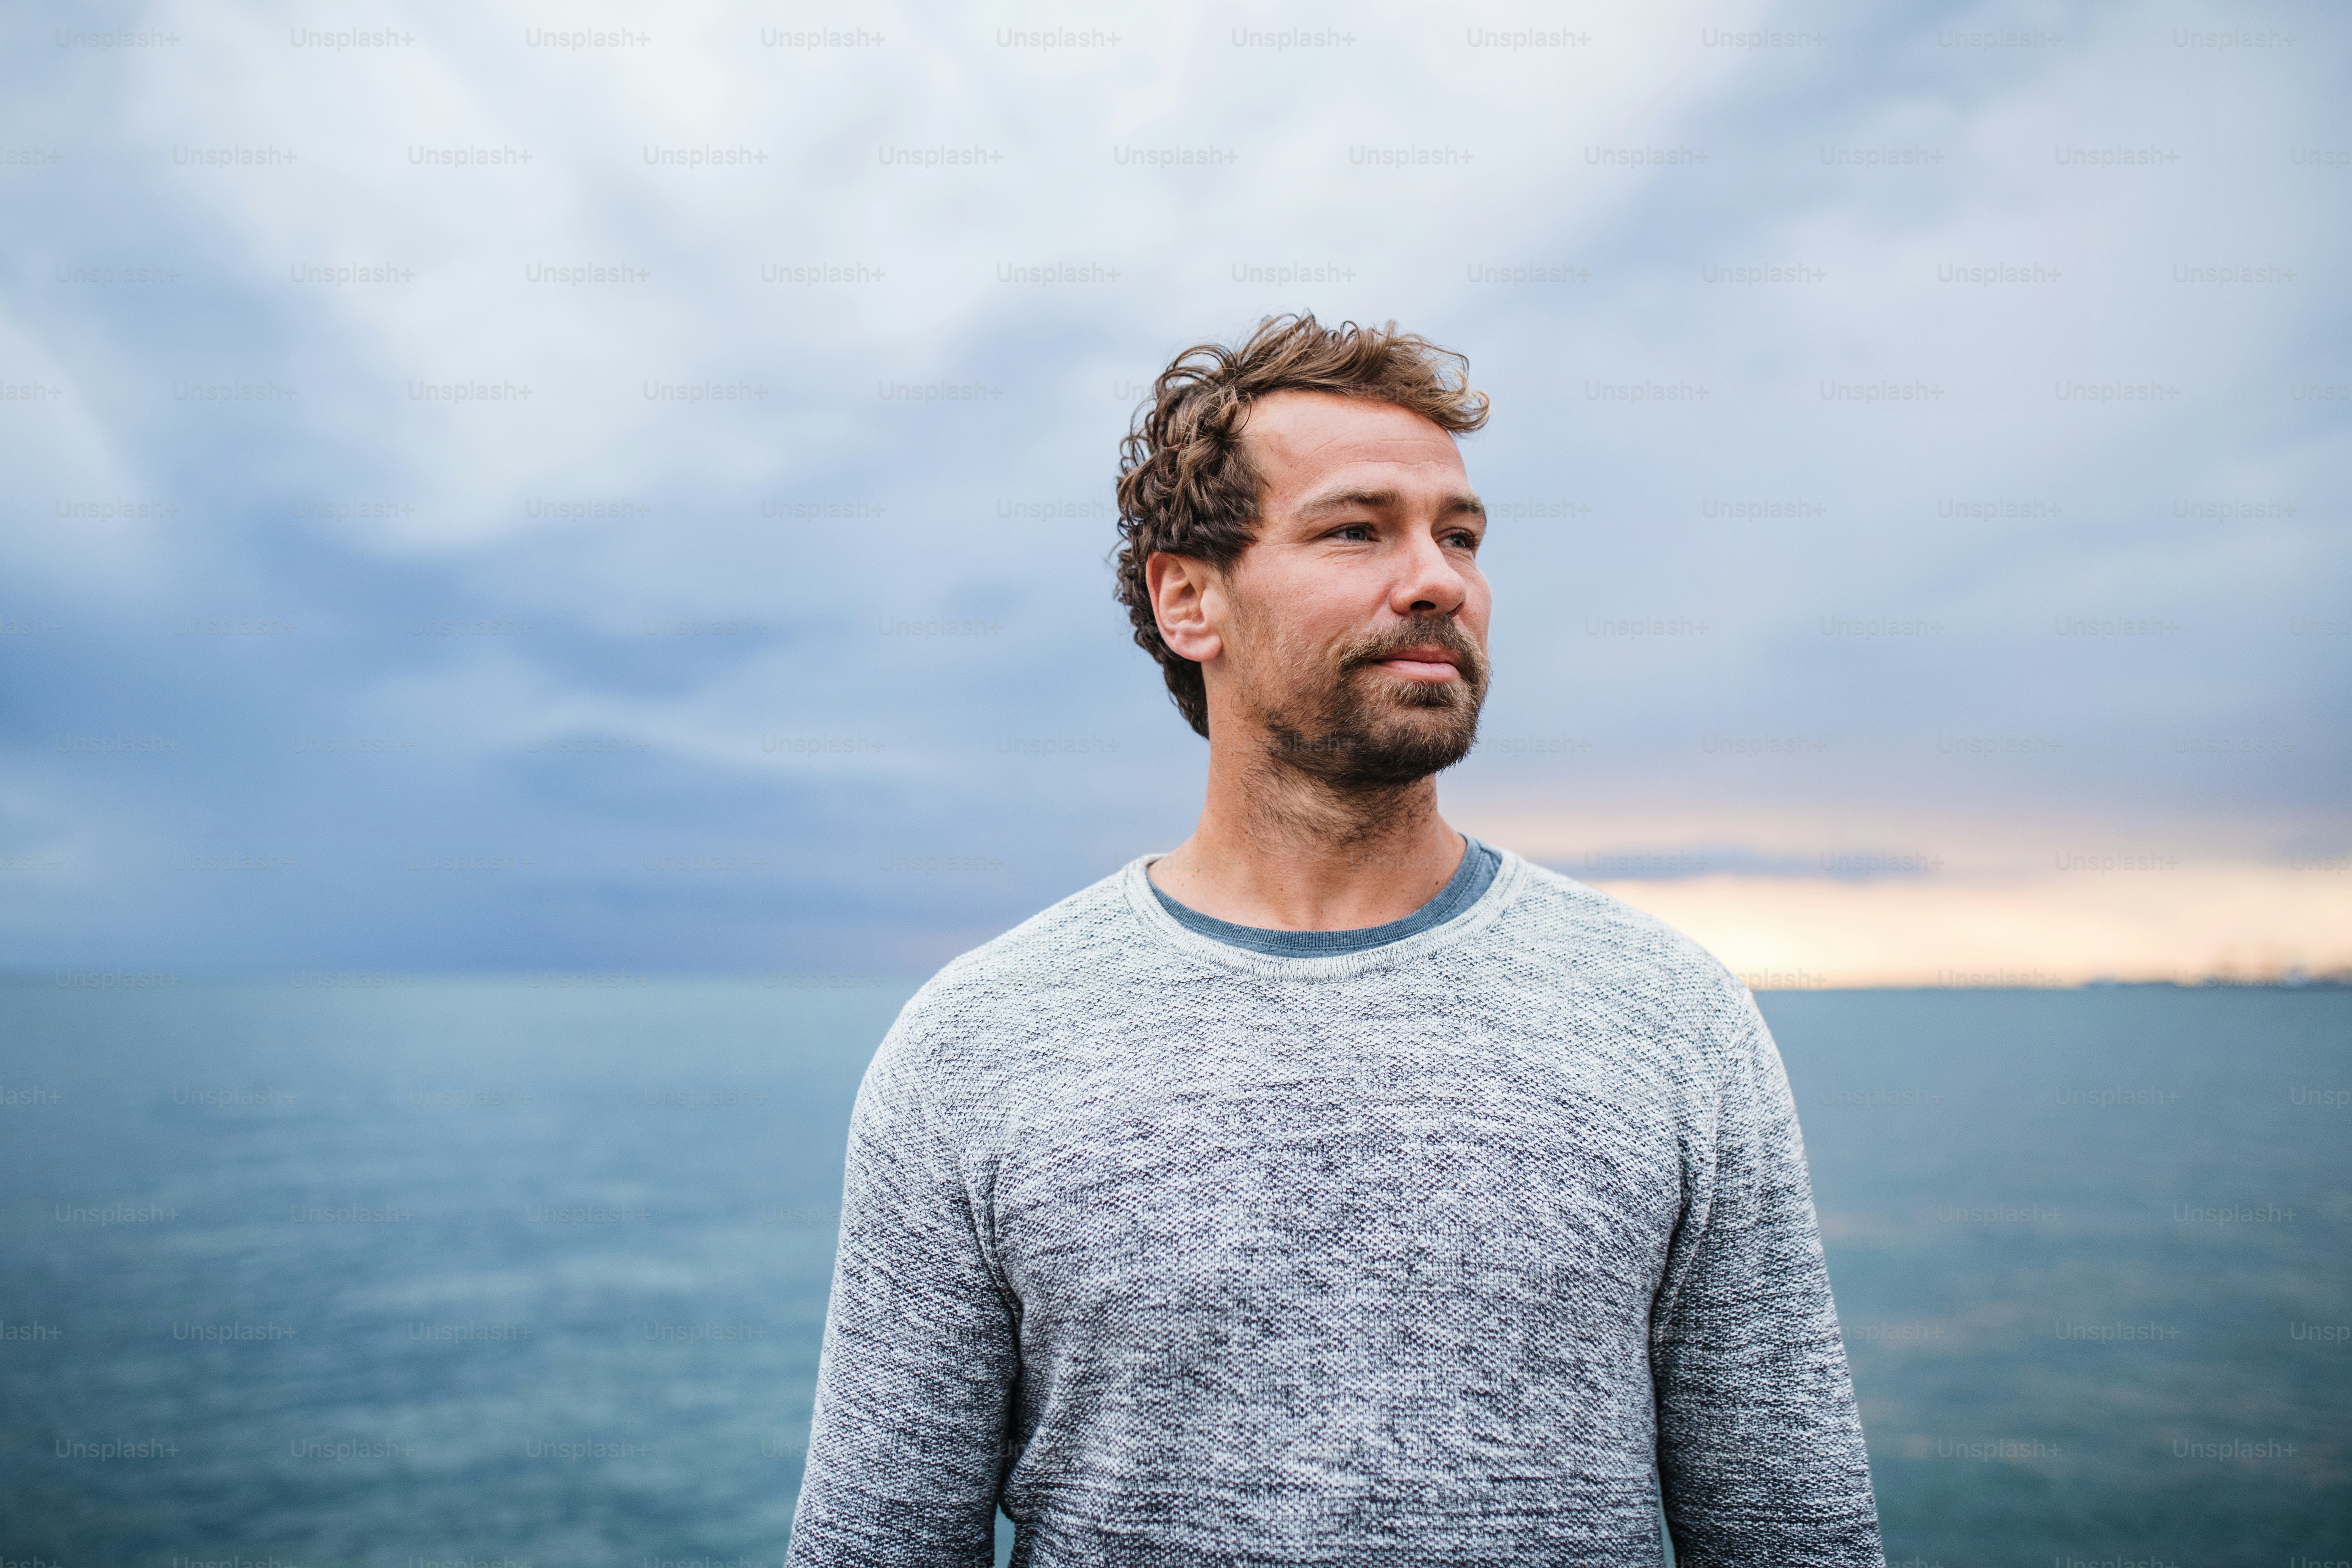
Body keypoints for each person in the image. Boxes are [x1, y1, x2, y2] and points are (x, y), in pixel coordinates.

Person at [785, 314, 1884, 1566]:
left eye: (1459, 536)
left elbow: (1794, 1533)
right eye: (1358, 528)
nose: (1438, 580)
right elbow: (878, 1547)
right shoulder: (975, 1046)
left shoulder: (1670, 1014)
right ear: (1188, 597)